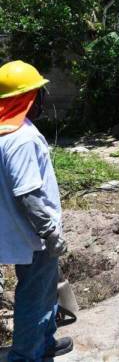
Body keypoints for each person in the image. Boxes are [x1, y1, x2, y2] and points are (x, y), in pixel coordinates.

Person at [0, 61, 73, 360]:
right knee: (34, 296)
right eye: (38, 93)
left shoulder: (6, 131)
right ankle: (26, 355)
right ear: (27, 98)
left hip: (18, 233)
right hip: (34, 237)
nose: (43, 99)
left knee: (44, 292)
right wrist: (50, 232)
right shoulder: (22, 139)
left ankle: (44, 342)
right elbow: (28, 194)